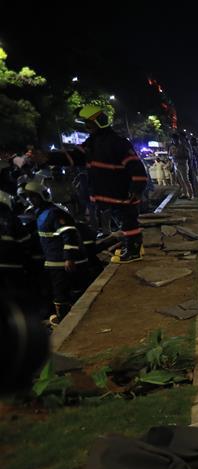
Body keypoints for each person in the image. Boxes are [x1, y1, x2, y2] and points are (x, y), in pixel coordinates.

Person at [42, 105, 149, 263]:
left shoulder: (118, 143)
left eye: (88, 123)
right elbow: (74, 157)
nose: (86, 127)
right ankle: (133, 247)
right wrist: (48, 158)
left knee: (128, 221)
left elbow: (136, 167)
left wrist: (136, 189)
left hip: (120, 192)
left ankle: (134, 251)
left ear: (97, 122)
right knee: (122, 222)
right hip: (109, 192)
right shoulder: (92, 142)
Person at [22, 180, 88, 324]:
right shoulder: (41, 214)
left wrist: (69, 257)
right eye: (30, 197)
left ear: (42, 195)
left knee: (62, 291)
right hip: (54, 260)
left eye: (34, 196)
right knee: (59, 290)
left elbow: (68, 234)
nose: (32, 200)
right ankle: (65, 316)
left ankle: (64, 319)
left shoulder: (54, 213)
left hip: (61, 261)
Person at [169, 133, 194, 199]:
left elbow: (187, 156)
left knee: (186, 179)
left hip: (183, 164)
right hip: (175, 165)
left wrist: (178, 156)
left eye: (175, 139)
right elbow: (170, 155)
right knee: (180, 180)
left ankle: (191, 195)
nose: (174, 141)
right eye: (173, 139)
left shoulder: (183, 146)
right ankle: (185, 193)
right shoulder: (171, 147)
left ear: (178, 139)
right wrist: (172, 162)